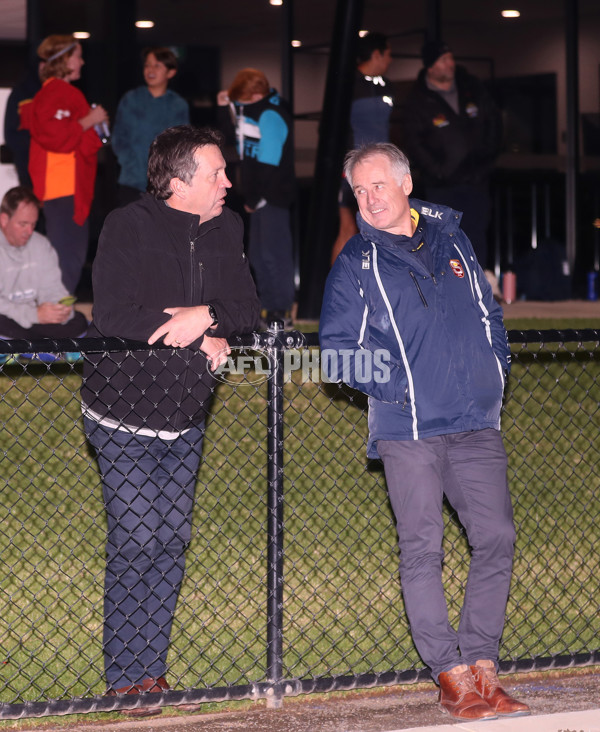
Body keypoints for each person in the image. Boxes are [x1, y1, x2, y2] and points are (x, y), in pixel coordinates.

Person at [319, 143, 529, 722]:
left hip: (474, 423)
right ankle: (449, 675)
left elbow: (489, 313)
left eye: (377, 186)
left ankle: (483, 667)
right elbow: (336, 356)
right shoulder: (355, 263)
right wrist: (402, 388)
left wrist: (494, 370)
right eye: (358, 192)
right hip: (408, 431)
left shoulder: (452, 237)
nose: (367, 200)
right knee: (423, 549)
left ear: (406, 182)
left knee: (497, 538)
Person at [80, 125, 260, 717]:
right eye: (217, 173)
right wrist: (188, 332)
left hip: (186, 417)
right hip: (121, 413)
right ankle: (123, 676)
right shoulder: (126, 225)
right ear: (179, 181)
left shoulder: (228, 227)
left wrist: (207, 318)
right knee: (137, 537)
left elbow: (248, 309)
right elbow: (111, 312)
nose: (228, 182)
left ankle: (150, 672)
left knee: (171, 542)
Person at [400, 40, 502, 275]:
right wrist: (438, 171)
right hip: (443, 186)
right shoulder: (419, 99)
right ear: (430, 67)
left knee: (476, 232)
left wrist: (486, 161)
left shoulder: (472, 88)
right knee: (444, 237)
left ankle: (478, 286)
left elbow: (494, 123)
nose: (450, 64)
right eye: (443, 60)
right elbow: (414, 142)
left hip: (477, 179)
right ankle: (448, 287)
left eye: (451, 58)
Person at [19, 34, 108, 294]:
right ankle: (55, 319)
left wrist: (95, 127)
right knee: (67, 257)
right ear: (65, 60)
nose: (82, 62)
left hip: (70, 189)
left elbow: (88, 144)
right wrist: (88, 121)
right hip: (62, 188)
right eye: (78, 56)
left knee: (71, 256)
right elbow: (52, 136)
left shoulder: (67, 93)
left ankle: (57, 317)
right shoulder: (54, 93)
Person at [217, 68, 295, 327]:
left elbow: (269, 163)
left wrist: (256, 197)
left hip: (272, 195)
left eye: (244, 100)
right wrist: (225, 106)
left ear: (258, 94)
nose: (240, 104)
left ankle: (280, 311)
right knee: (258, 255)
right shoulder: (250, 110)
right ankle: (266, 308)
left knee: (274, 255)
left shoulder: (271, 115)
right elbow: (229, 136)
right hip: (257, 194)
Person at [331, 32, 394, 265]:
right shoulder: (347, 85)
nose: (391, 60)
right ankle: (336, 293)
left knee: (383, 227)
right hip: (352, 169)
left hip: (382, 169)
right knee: (348, 227)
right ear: (376, 54)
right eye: (388, 54)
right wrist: (342, 166)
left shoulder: (387, 86)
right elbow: (332, 131)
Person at [0, 186, 87, 344]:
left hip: (33, 323)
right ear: (4, 220)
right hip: (12, 319)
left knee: (78, 321)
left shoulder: (40, 244)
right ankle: (44, 348)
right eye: (23, 224)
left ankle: (32, 349)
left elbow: (53, 289)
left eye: (33, 224)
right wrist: (34, 314)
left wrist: (60, 310)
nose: (29, 230)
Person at [112, 46, 190, 207]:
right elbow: (119, 137)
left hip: (164, 184)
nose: (150, 70)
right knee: (129, 230)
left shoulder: (178, 105)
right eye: (147, 65)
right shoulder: (131, 99)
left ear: (170, 72)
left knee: (161, 231)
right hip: (131, 181)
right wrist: (129, 162)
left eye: (157, 66)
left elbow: (181, 145)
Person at [3, 60, 44, 188]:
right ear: (42, 65)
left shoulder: (58, 92)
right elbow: (10, 136)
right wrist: (41, 141)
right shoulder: (20, 94)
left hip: (55, 165)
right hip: (28, 164)